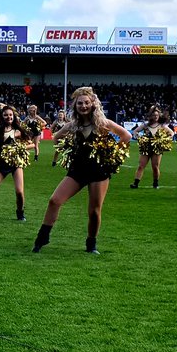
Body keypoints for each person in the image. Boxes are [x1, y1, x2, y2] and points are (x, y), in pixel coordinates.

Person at [32, 87, 131, 254]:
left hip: (98, 172)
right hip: (77, 170)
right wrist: (68, 149)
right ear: (75, 106)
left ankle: (91, 244)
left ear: (93, 104)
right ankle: (43, 237)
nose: (83, 106)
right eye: (80, 103)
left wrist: (111, 154)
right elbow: (56, 137)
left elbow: (126, 136)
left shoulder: (103, 124)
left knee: (94, 211)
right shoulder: (73, 125)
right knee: (54, 200)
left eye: (86, 102)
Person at [129, 104, 172, 190]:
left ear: (159, 115)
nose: (155, 116)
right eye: (153, 115)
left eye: (157, 115)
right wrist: (138, 137)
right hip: (146, 148)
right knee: (141, 165)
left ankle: (155, 183)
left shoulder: (162, 125)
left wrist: (164, 140)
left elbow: (172, 133)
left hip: (157, 148)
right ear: (150, 116)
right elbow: (135, 131)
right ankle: (136, 183)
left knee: (155, 167)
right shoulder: (146, 125)